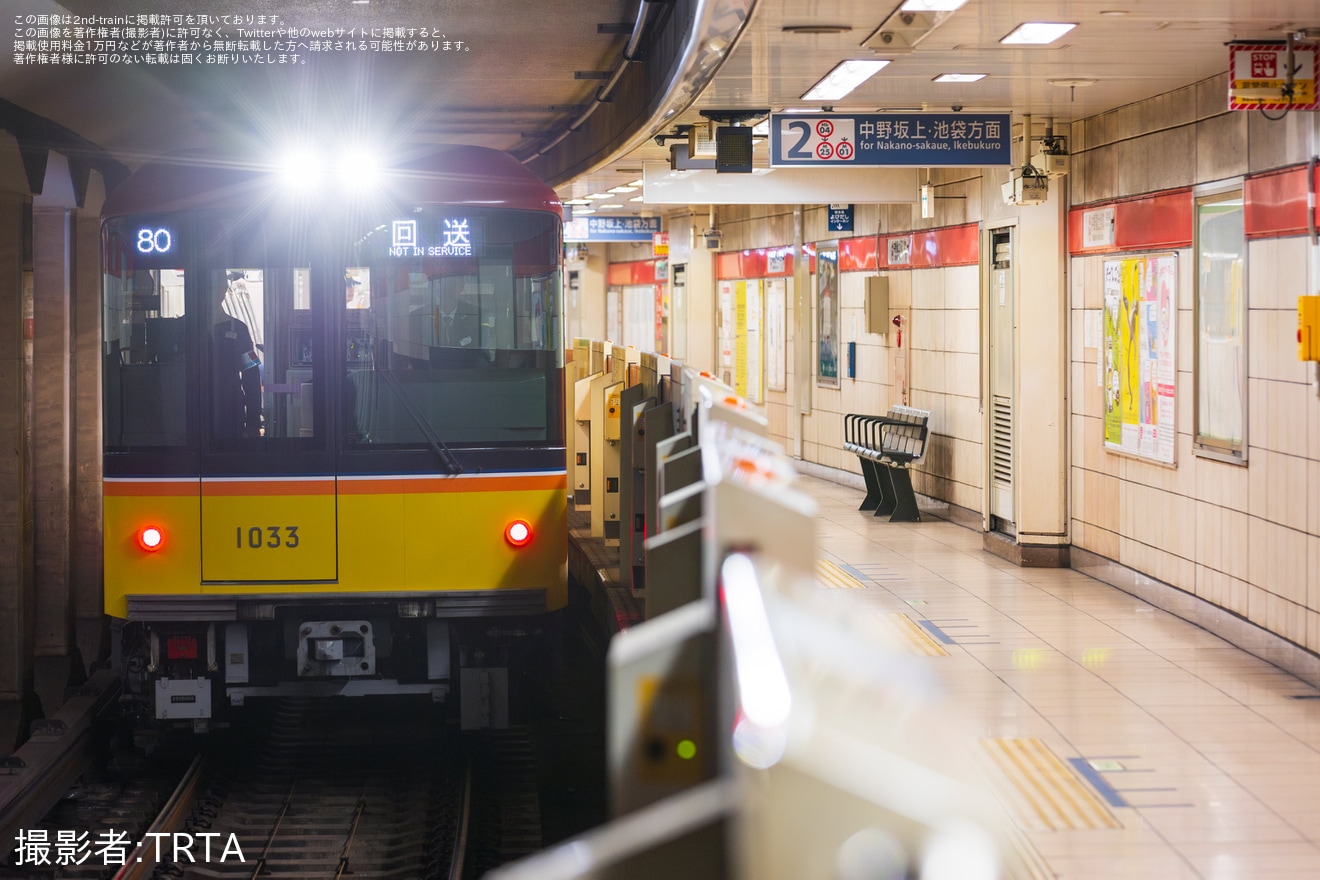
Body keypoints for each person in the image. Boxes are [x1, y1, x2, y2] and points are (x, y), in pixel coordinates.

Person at [213, 282, 263, 438]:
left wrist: (253, 422)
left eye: (216, 286)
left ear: (223, 290)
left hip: (230, 414)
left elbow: (252, 374)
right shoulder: (183, 327)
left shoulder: (239, 329)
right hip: (190, 415)